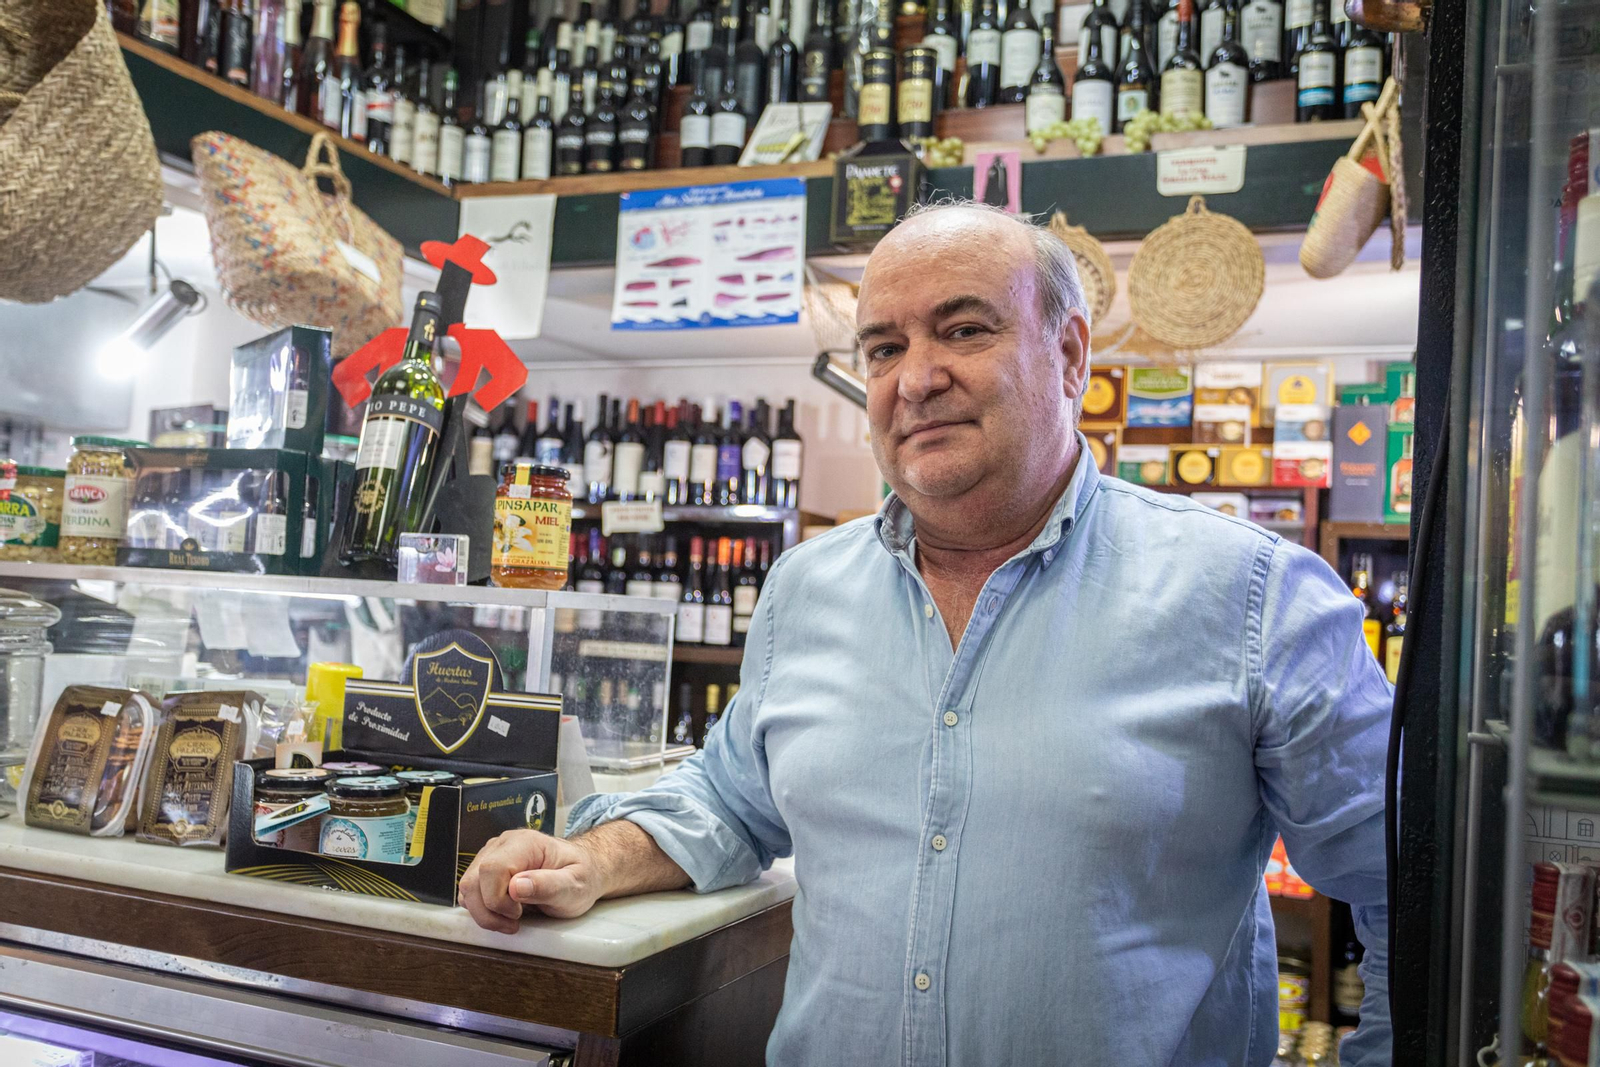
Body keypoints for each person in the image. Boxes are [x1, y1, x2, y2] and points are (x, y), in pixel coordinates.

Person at [459, 200, 1393, 1066]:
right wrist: (589, 858)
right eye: (882, 346)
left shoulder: (1250, 594)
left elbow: (1411, 884)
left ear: (1070, 356)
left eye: (964, 328)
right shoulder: (805, 589)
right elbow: (730, 800)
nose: (916, 378)